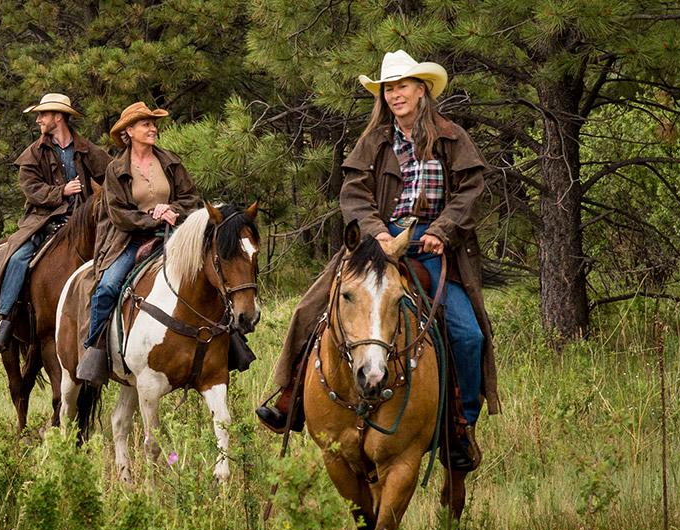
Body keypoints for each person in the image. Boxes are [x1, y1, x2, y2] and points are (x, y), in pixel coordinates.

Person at [255, 50, 498, 471]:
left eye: (403, 86)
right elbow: (354, 195)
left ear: (422, 90)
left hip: (433, 244)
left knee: (468, 332)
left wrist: (442, 231)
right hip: (376, 243)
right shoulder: (374, 141)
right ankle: (290, 397)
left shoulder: (453, 137)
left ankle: (461, 426)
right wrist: (377, 232)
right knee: (309, 308)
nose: (395, 95)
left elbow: (471, 191)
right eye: (389, 88)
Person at [75, 102, 202, 386]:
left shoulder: (170, 160)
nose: (152, 128)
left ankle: (230, 341)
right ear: (129, 131)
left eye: (153, 123)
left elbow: (191, 197)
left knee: (211, 273)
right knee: (107, 287)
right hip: (130, 239)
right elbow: (119, 213)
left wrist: (172, 211)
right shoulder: (116, 169)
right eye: (145, 124)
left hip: (175, 234)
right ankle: (94, 351)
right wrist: (152, 217)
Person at [0, 92, 111, 351]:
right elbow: (31, 189)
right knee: (18, 256)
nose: (38, 120)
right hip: (44, 221)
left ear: (58, 117)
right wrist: (61, 192)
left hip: (83, 225)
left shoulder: (86, 149)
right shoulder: (33, 154)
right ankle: (6, 320)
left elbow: (112, 173)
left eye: (42, 115)